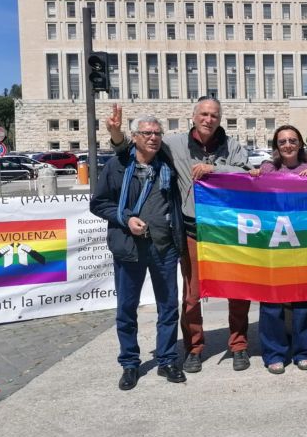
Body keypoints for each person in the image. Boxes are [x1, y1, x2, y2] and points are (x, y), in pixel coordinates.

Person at [107, 98, 251, 373]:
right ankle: (194, 347)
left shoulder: (232, 146)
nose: (208, 119)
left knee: (237, 291)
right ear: (193, 117)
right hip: (193, 231)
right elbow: (135, 150)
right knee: (192, 295)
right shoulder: (173, 144)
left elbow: (247, 174)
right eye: (204, 114)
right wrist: (116, 135)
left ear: (220, 118)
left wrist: (215, 169)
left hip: (228, 232)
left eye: (214, 115)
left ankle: (239, 345)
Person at [90, 116, 186, 390]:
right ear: (135, 137)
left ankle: (167, 359)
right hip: (129, 247)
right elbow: (99, 203)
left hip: (164, 246)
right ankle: (130, 363)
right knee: (127, 308)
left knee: (168, 306)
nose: (153, 137)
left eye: (157, 133)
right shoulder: (118, 166)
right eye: (146, 133)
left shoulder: (167, 164)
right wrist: (126, 218)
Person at [249, 125, 307, 374]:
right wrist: (253, 178)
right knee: (271, 302)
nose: (288, 145)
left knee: (302, 302)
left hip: (302, 245)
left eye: (292, 140)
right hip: (273, 245)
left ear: (300, 144)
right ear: (276, 146)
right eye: (282, 141)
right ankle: (274, 353)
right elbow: (254, 194)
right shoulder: (268, 168)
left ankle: (303, 352)